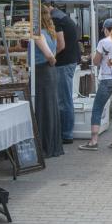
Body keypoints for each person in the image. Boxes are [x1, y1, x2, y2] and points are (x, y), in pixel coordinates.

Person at [81, 19, 112, 151]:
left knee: (97, 108)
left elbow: (95, 62)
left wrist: (95, 56)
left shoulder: (104, 42)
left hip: (107, 79)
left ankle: (93, 141)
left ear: (106, 29)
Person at [31, 11, 64, 159]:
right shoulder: (51, 33)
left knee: (43, 108)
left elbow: (50, 55)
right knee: (49, 108)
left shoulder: (39, 33)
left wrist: (51, 62)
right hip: (48, 72)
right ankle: (51, 145)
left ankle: (45, 146)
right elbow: (54, 52)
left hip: (42, 71)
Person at [49, 7, 80, 145]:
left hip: (63, 63)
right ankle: (65, 133)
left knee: (63, 99)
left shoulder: (56, 19)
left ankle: (66, 134)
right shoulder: (63, 16)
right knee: (65, 98)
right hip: (70, 61)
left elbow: (60, 45)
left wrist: (49, 57)